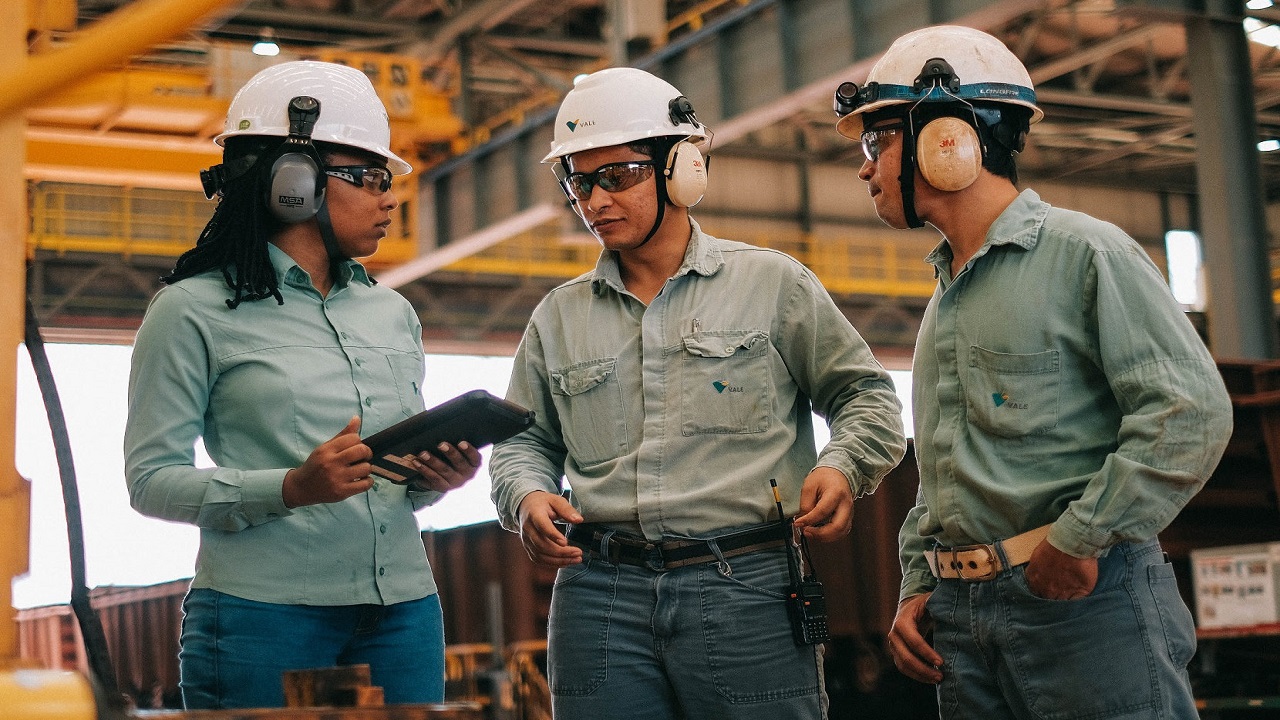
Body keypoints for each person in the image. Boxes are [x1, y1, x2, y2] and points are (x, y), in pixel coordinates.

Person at [833, 25, 1234, 719]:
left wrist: (1083, 535)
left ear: (947, 137)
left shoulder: (1087, 255)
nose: (866, 168)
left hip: (1082, 605)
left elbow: (1189, 412)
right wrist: (921, 581)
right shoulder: (946, 295)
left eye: (879, 140)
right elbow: (947, 470)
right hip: (962, 621)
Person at [489, 66, 907, 720]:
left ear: (681, 168)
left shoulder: (773, 286)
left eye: (617, 176)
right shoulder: (557, 318)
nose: (595, 201)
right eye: (579, 181)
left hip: (747, 587)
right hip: (598, 599)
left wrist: (841, 467)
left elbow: (867, 400)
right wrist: (527, 494)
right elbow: (523, 440)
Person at [123, 60, 483, 710]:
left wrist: (434, 477)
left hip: (404, 612)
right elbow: (150, 481)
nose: (390, 198)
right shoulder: (191, 310)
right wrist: (290, 488)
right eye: (370, 178)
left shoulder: (391, 313)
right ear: (295, 184)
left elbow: (394, 487)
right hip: (263, 620)